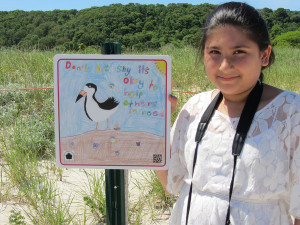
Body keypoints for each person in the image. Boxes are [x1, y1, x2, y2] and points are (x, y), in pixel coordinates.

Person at [156, 2, 300, 225]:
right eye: (214, 52)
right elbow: (171, 184)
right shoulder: (194, 107)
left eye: (239, 52)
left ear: (264, 54)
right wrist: (156, 124)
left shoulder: (291, 112)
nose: (224, 65)